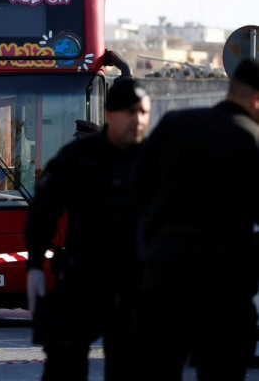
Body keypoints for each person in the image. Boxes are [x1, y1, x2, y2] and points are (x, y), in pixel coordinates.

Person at [131, 57, 259, 381]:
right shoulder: (252, 140)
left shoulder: (176, 123)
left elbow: (136, 191)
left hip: (165, 270)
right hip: (225, 280)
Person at [24, 76, 151, 380]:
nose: (138, 120)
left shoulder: (157, 158)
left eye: (144, 112)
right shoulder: (79, 157)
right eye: (130, 112)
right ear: (110, 115)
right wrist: (34, 266)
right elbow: (44, 209)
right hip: (84, 278)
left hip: (138, 283)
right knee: (64, 363)